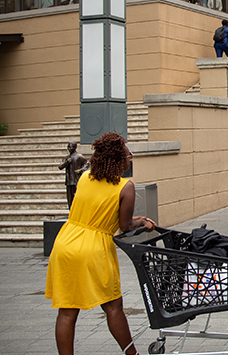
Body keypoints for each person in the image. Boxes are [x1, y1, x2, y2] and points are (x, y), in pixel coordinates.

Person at [45, 132, 156, 355]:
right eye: (127, 155)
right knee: (113, 308)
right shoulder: (125, 187)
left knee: (66, 312)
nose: (129, 159)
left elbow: (92, 211)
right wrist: (142, 222)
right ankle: (132, 354)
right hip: (94, 248)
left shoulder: (85, 177)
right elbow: (124, 226)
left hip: (66, 243)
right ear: (117, 160)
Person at [58, 141, 88, 209]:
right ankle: (71, 212)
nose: (69, 148)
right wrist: (66, 162)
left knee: (78, 198)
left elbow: (87, 164)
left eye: (71, 147)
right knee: (70, 199)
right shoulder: (67, 158)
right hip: (69, 181)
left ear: (75, 147)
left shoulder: (79, 157)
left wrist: (81, 170)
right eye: (68, 147)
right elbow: (60, 167)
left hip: (76, 180)